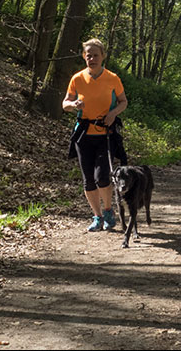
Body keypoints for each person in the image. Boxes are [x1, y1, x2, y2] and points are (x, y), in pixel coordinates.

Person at [63, 38, 128, 232]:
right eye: (88, 55)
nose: (92, 58)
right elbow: (65, 103)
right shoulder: (77, 78)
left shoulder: (112, 78)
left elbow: (123, 101)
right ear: (84, 57)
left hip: (105, 134)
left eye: (95, 55)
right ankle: (97, 217)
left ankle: (108, 211)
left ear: (103, 57)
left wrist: (113, 113)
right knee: (88, 179)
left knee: (102, 177)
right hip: (83, 135)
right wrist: (73, 105)